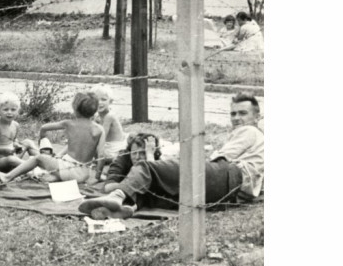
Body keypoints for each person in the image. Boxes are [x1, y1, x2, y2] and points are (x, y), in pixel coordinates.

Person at [79, 93, 264, 219]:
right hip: (230, 196)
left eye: (243, 113)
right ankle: (126, 208)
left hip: (229, 177)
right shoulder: (260, 140)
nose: (236, 118)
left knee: (149, 167)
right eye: (233, 113)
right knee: (157, 191)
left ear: (256, 117)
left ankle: (116, 196)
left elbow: (219, 160)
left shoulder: (249, 131)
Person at [0, 92, 105, 184]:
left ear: (75, 109)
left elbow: (44, 127)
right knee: (56, 164)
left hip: (67, 169)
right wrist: (97, 177)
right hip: (83, 173)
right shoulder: (99, 129)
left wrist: (43, 138)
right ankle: (54, 177)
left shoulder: (69, 124)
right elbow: (101, 156)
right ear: (94, 111)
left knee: (39, 159)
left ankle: (8, 177)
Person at [0, 92, 39, 172]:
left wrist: (16, 145)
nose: (9, 112)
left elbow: (13, 140)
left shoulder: (15, 125)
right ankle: (32, 167)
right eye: (5, 109)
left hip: (13, 155)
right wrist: (4, 150)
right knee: (11, 159)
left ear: (18, 111)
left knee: (28, 142)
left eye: (13, 109)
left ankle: (43, 160)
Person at [90, 84, 126, 170]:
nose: (99, 103)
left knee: (90, 147)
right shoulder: (98, 115)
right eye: (96, 100)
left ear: (110, 101)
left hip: (114, 149)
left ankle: (105, 162)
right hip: (109, 145)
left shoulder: (109, 116)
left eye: (103, 99)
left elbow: (101, 137)